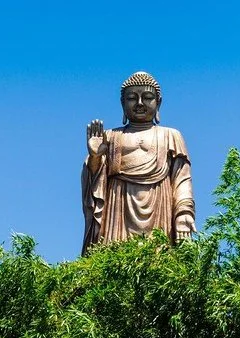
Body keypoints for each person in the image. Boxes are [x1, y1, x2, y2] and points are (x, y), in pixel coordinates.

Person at [81, 71, 196, 254]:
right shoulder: (111, 137)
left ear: (158, 102)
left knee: (158, 260)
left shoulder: (170, 136)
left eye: (147, 97)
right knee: (116, 260)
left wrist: (183, 214)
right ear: (122, 103)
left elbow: (182, 180)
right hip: (118, 211)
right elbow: (95, 182)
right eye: (132, 98)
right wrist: (95, 158)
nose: (140, 103)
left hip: (159, 208)